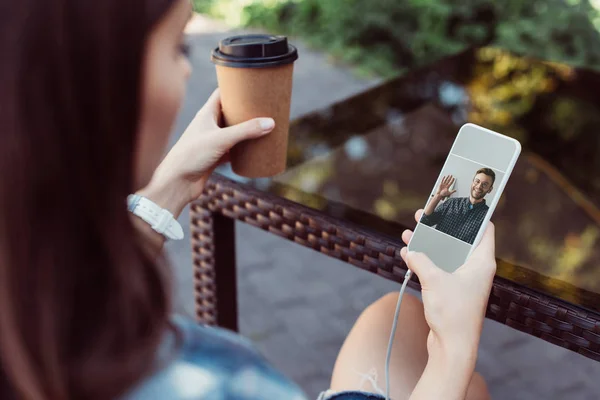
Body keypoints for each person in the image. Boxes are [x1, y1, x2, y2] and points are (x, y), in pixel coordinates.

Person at [0, 1, 494, 399]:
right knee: (456, 376)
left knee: (394, 313)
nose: (186, 75)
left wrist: (172, 183)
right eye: (179, 48)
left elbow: (79, 301)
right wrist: (455, 345)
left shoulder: (29, 298)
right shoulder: (219, 385)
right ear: (99, 81)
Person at [420, 169, 496, 244]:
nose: (479, 186)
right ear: (472, 182)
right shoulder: (451, 203)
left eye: (485, 184)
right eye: (477, 181)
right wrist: (437, 196)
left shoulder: (488, 216)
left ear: (490, 189)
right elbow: (424, 221)